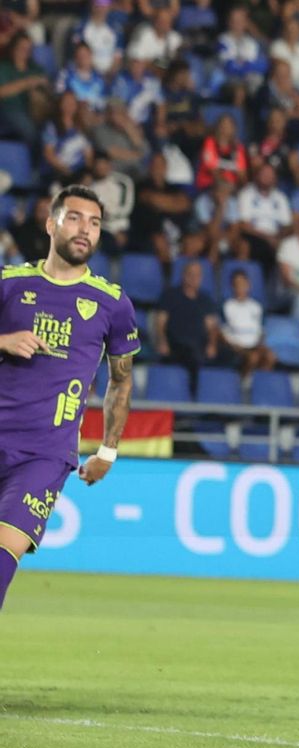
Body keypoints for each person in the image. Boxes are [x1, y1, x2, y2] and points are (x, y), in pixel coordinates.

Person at [0, 186, 139, 607]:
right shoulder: (10, 284)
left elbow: (121, 380)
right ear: (50, 224)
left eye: (94, 223)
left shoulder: (112, 304)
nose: (85, 230)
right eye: (75, 218)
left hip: (45, 454)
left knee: (5, 548)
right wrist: (3, 341)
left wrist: (107, 451)